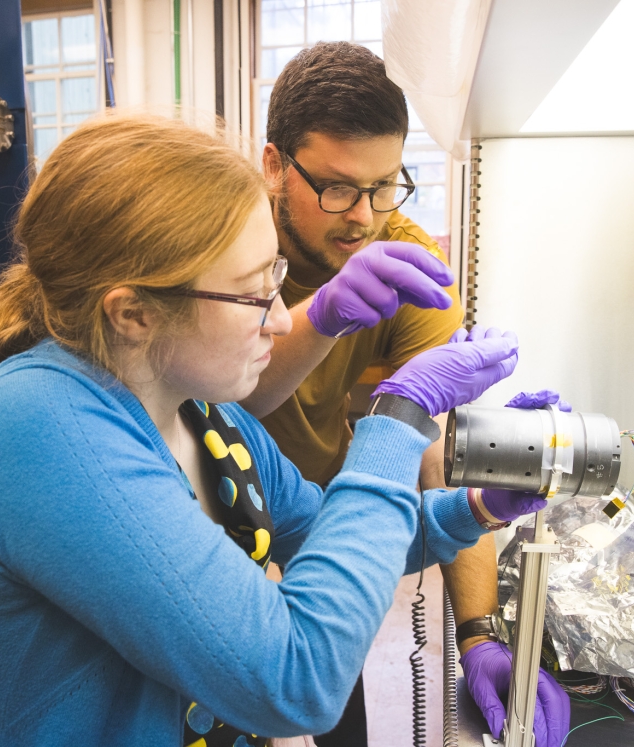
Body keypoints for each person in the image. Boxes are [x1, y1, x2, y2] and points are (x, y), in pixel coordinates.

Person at [0, 113, 548, 746]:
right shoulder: (39, 426)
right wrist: (400, 416)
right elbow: (293, 681)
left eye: (277, 275)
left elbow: (323, 534)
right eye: (255, 294)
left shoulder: (201, 414)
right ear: (133, 313)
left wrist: (470, 509)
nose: (282, 321)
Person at [242, 42, 570, 746]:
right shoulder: (225, 243)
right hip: (214, 522)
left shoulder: (405, 262)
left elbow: (435, 457)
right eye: (336, 187)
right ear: (274, 165)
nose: (363, 216)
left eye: (386, 185)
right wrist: (324, 314)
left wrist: (480, 630)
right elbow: (234, 388)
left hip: (316, 518)